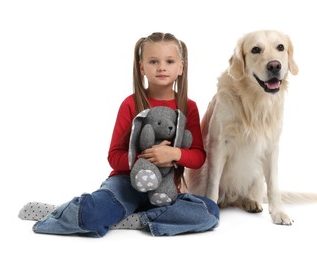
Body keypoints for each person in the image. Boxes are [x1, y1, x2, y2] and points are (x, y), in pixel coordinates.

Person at [18, 32, 219, 237]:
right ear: (142, 67)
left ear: (181, 67)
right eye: (153, 61)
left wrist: (174, 154)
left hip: (163, 191)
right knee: (93, 212)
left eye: (169, 61)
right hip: (126, 184)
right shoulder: (130, 104)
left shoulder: (189, 107)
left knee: (209, 212)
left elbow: (198, 157)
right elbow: (114, 157)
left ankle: (131, 219)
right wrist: (147, 159)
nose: (161, 67)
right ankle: (62, 211)